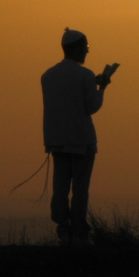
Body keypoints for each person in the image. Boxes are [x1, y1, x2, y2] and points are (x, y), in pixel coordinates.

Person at [41, 27, 111, 246]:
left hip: (57, 140)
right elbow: (91, 106)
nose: (87, 52)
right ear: (78, 48)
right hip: (82, 140)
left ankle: (63, 232)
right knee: (80, 190)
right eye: (86, 47)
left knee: (60, 189)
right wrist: (101, 88)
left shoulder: (48, 76)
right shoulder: (85, 75)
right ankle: (80, 234)